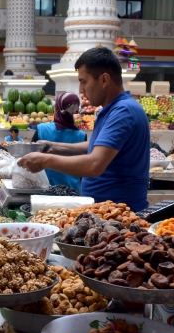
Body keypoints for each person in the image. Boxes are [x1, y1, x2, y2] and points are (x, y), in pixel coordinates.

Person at [18, 47, 150, 211]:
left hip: (120, 216)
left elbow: (94, 164)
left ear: (104, 80)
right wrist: (53, 147)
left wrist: (45, 160)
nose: (81, 90)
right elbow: (98, 147)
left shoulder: (123, 112)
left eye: (84, 81)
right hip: (105, 211)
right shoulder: (113, 109)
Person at [30, 92, 87, 193]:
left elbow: (30, 159)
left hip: (44, 191)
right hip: (73, 193)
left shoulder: (42, 130)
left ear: (57, 108)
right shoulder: (82, 136)